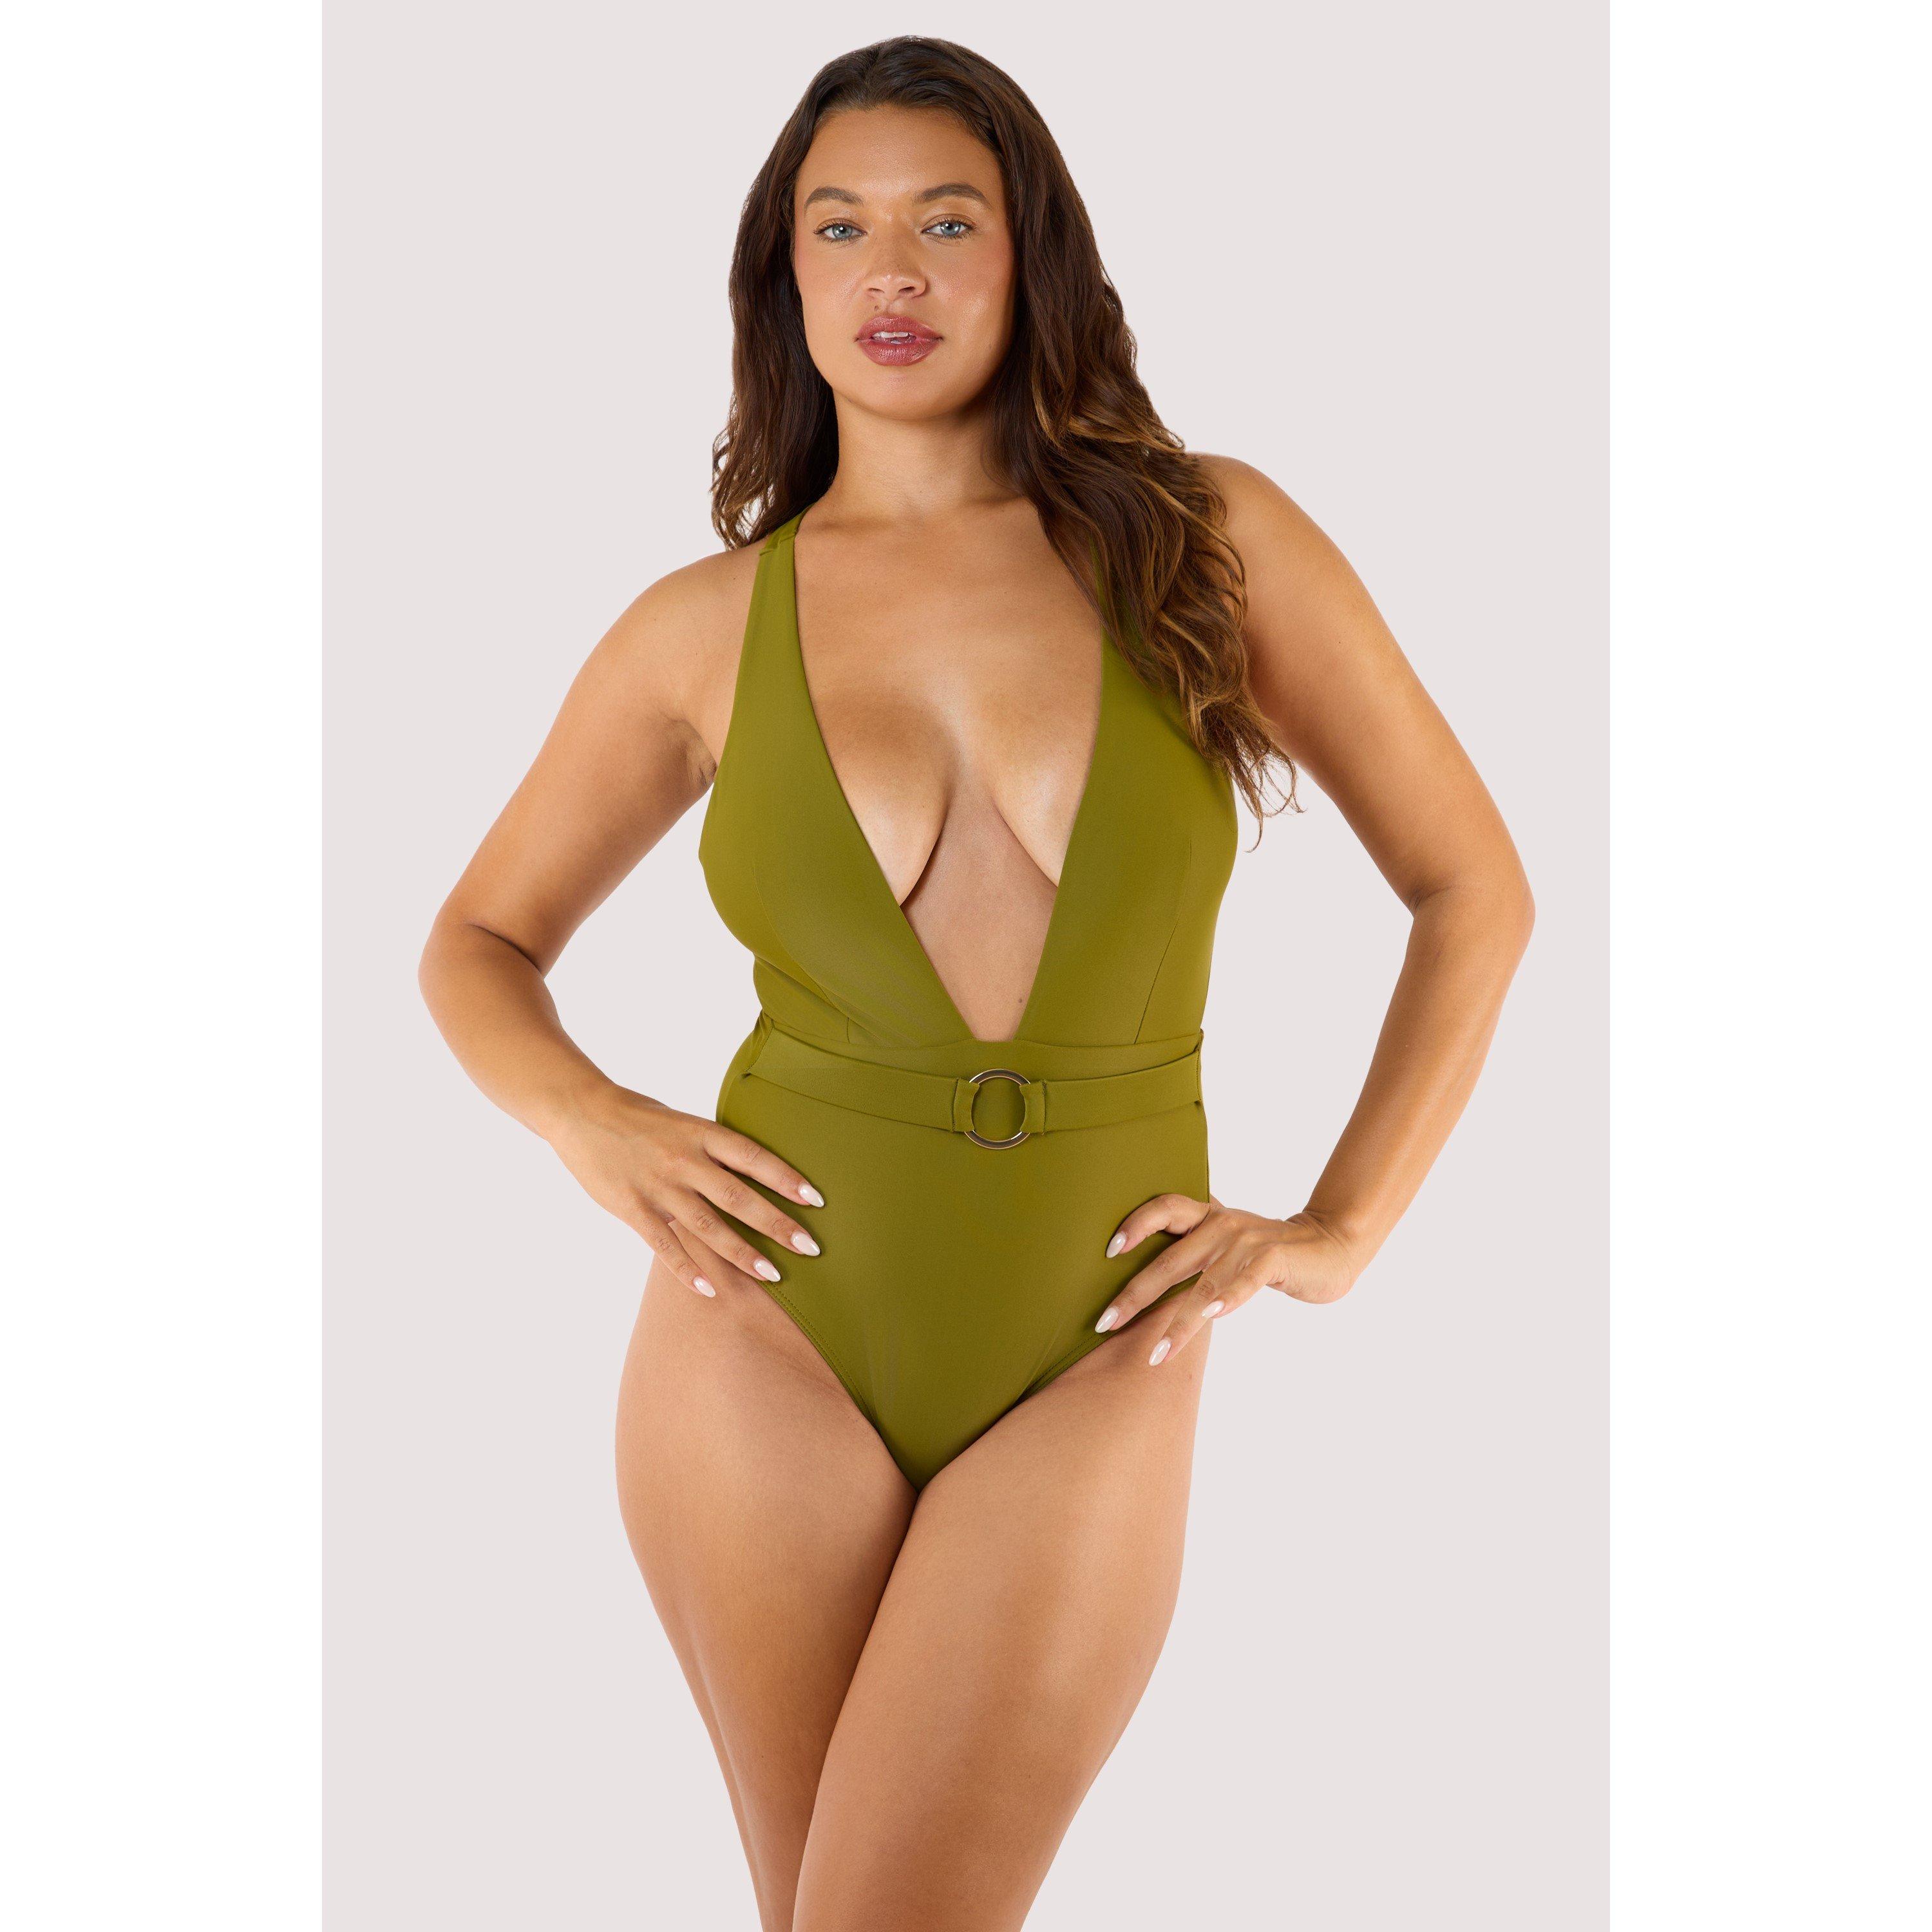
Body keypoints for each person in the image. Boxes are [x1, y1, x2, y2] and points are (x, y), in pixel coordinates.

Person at [418, 34, 1534, 1932]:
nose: (894, 271)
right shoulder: (703, 629)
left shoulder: (1209, 540)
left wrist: (1344, 1230)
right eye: (838, 227)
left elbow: (1470, 888)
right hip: (766, 1327)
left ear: (1034, 262)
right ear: (783, 278)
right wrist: (593, 1124)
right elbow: (475, 943)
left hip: (1104, 1337)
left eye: (949, 222)